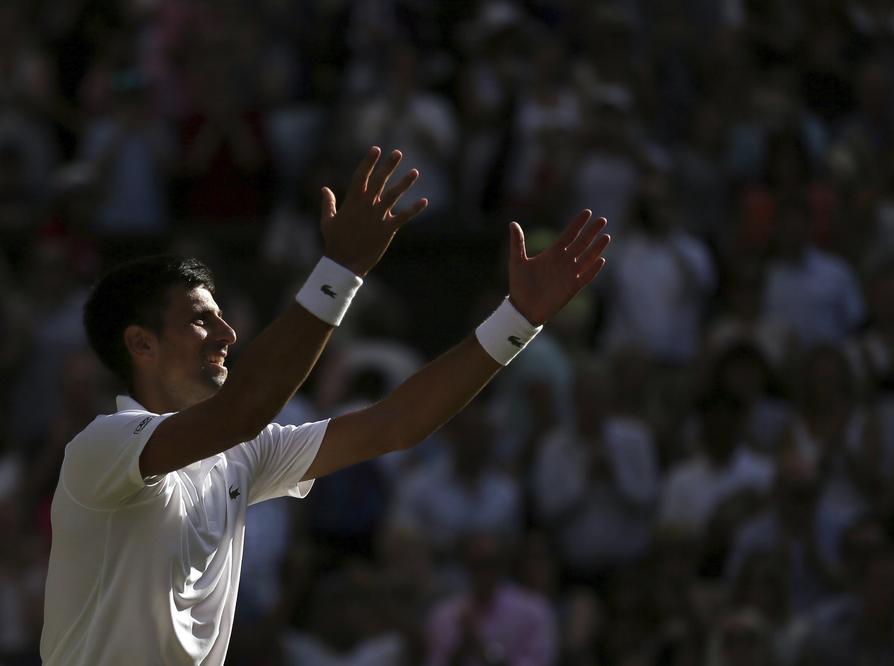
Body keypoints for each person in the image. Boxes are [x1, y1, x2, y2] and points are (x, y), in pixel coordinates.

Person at [39, 146, 611, 665]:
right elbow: (241, 411)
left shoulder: (243, 451)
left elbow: (395, 425)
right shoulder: (103, 446)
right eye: (199, 318)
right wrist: (341, 271)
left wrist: (518, 320)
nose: (226, 333)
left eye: (219, 314)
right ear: (141, 344)